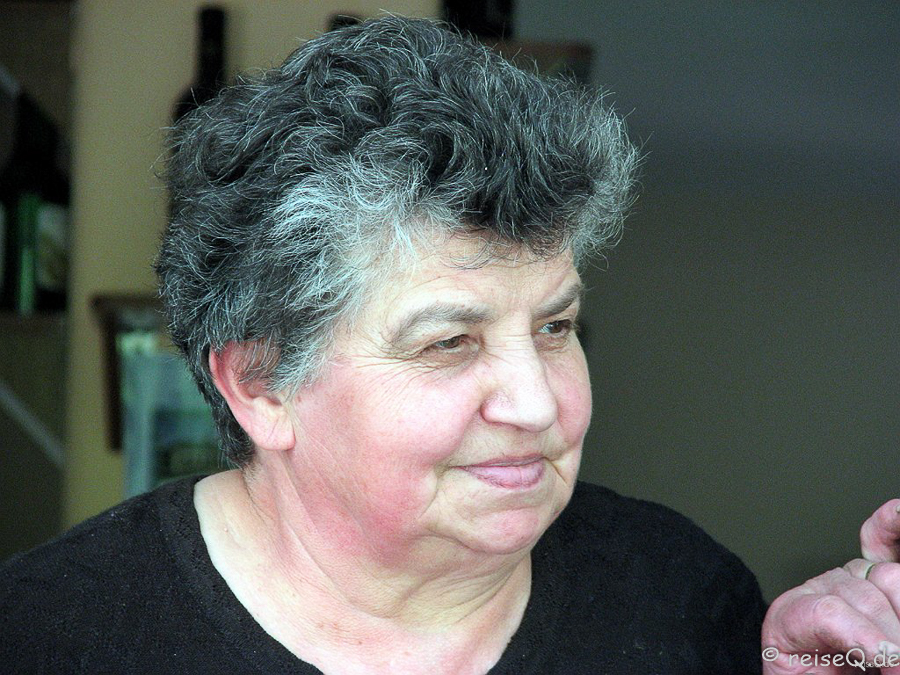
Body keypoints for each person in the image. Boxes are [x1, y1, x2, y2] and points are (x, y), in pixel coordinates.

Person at [1, 16, 898, 674]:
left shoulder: (685, 598)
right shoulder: (48, 636)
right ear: (263, 383)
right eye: (449, 342)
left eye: (554, 326)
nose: (538, 403)